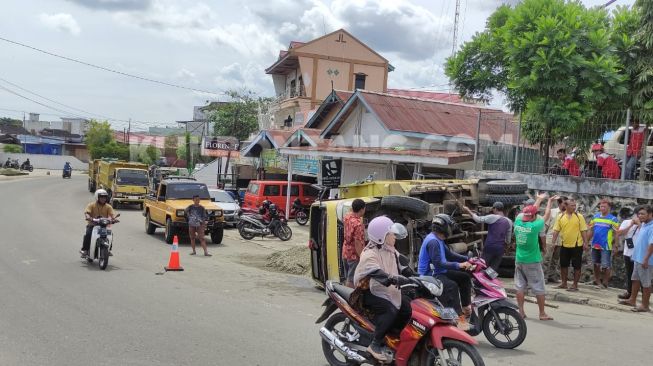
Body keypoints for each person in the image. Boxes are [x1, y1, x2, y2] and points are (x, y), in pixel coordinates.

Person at [353, 216, 412, 362]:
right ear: (381, 236)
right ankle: (374, 344)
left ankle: (391, 336)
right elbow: (377, 273)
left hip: (385, 290)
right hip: (366, 293)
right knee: (390, 310)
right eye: (391, 234)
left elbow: (404, 268)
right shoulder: (369, 253)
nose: (394, 237)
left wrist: (420, 277)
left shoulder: (391, 250)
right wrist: (393, 278)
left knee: (407, 308)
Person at [417, 214, 472, 330]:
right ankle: (458, 320)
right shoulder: (433, 242)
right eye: (449, 226)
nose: (451, 229)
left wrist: (468, 259)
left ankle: (466, 307)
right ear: (443, 228)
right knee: (452, 286)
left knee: (465, 277)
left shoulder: (438, 239)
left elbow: (450, 255)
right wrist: (459, 265)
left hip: (439, 271)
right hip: (430, 275)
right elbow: (438, 263)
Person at [514, 203, 554, 320]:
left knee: (520, 287)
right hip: (532, 261)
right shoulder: (534, 226)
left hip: (519, 260)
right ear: (534, 216)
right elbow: (547, 214)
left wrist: (538, 200)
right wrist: (549, 202)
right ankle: (542, 313)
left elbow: (529, 214)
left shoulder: (517, 223)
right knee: (539, 287)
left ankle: (521, 311)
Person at [619, 205, 653, 312]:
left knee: (646, 283)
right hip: (637, 258)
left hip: (645, 260)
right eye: (639, 214)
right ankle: (632, 300)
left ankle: (645, 305)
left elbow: (652, 245)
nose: (640, 216)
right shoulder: (644, 225)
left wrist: (646, 259)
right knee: (635, 280)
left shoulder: (652, 227)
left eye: (643, 214)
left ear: (650, 214)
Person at [463, 202, 512, 271]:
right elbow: (508, 241)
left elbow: (478, 219)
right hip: (500, 249)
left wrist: (468, 210)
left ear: (495, 209)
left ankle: (480, 281)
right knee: (493, 269)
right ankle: (489, 280)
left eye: (493, 208)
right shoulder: (509, 221)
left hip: (489, 247)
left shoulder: (492, 217)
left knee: (482, 266)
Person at [552, 199, 589, 292]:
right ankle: (564, 283)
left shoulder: (579, 216)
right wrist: (553, 242)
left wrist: (586, 242)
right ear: (566, 206)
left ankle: (575, 285)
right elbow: (556, 230)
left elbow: (583, 230)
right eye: (572, 205)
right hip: (564, 244)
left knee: (577, 266)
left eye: (574, 205)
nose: (574, 207)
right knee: (563, 265)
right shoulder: (560, 217)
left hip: (577, 245)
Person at [588, 199, 620, 289]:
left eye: (604, 207)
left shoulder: (613, 219)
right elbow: (591, 230)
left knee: (606, 265)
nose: (602, 208)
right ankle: (597, 281)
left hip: (606, 245)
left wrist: (616, 245)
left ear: (609, 208)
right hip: (595, 244)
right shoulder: (595, 217)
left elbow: (616, 233)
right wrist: (586, 242)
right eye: (601, 206)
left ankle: (605, 282)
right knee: (595, 263)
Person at [81, 189, 117, 257]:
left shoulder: (108, 206)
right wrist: (88, 217)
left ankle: (108, 250)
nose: (103, 198)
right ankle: (85, 250)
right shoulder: (91, 205)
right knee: (88, 234)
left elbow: (112, 215)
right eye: (101, 197)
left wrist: (114, 219)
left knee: (110, 234)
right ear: (97, 197)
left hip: (103, 226)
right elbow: (87, 213)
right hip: (92, 225)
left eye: (104, 197)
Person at [616, 207, 640, 300]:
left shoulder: (646, 225)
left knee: (641, 276)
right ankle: (629, 292)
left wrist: (639, 224)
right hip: (628, 252)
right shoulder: (626, 222)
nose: (639, 216)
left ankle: (642, 296)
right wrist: (630, 225)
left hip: (639, 254)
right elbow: (619, 233)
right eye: (638, 214)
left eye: (641, 214)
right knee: (629, 273)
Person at [342, 199, 366, 288]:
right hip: (353, 255)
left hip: (345, 252)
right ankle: (349, 299)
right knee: (351, 280)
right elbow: (357, 243)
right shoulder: (358, 224)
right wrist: (362, 257)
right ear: (362, 209)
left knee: (347, 277)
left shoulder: (347, 217)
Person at [544, 196, 567, 283]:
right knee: (547, 259)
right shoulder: (552, 212)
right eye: (564, 203)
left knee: (555, 260)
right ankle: (544, 277)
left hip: (561, 240)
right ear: (559, 203)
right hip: (550, 239)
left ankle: (551, 276)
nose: (566, 205)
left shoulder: (568, 214)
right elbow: (546, 225)